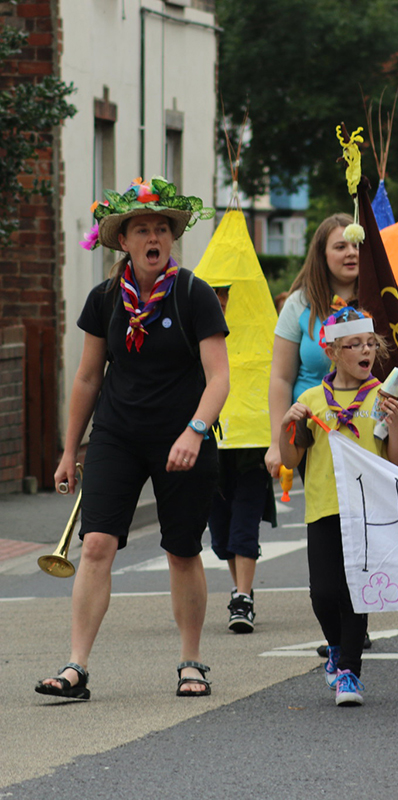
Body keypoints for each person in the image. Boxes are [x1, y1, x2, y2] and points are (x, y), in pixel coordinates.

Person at [38, 178, 227, 701]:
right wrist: (69, 450)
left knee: (182, 550)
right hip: (116, 435)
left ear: (171, 239)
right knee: (95, 544)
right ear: (123, 241)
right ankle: (75, 667)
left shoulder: (194, 294)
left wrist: (195, 430)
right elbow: (87, 378)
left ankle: (191, 661)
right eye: (141, 228)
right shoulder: (104, 299)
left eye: (161, 229)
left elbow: (219, 378)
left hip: (182, 437)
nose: (153, 236)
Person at [278, 307, 398, 706]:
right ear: (333, 352)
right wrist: (288, 422)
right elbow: (290, 458)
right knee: (323, 593)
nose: (365, 351)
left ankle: (350, 672)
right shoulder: (312, 399)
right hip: (323, 507)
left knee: (358, 593)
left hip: (367, 511)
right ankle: (335, 647)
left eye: (370, 344)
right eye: (354, 345)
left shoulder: (384, 396)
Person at [267, 214, 358, 479]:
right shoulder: (297, 303)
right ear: (322, 254)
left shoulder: (380, 301)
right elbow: (281, 378)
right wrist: (277, 442)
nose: (351, 253)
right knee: (324, 517)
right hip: (314, 432)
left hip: (368, 432)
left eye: (356, 246)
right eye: (340, 247)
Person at [207, 283, 276, 634]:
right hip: (212, 446)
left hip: (251, 449)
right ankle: (240, 590)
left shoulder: (253, 330)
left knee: (244, 521)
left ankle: (243, 597)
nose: (221, 309)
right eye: (215, 303)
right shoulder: (199, 330)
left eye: (225, 302)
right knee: (220, 533)